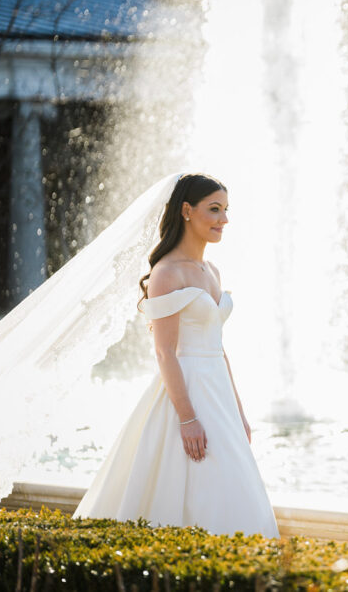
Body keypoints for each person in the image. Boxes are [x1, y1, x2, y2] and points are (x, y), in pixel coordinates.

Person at [73, 174, 279, 537]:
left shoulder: (212, 271)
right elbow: (164, 352)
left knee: (235, 479)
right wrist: (187, 418)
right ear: (186, 210)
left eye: (226, 210)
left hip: (219, 394)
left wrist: (240, 412)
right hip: (186, 393)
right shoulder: (166, 273)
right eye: (214, 210)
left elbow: (219, 347)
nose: (223, 220)